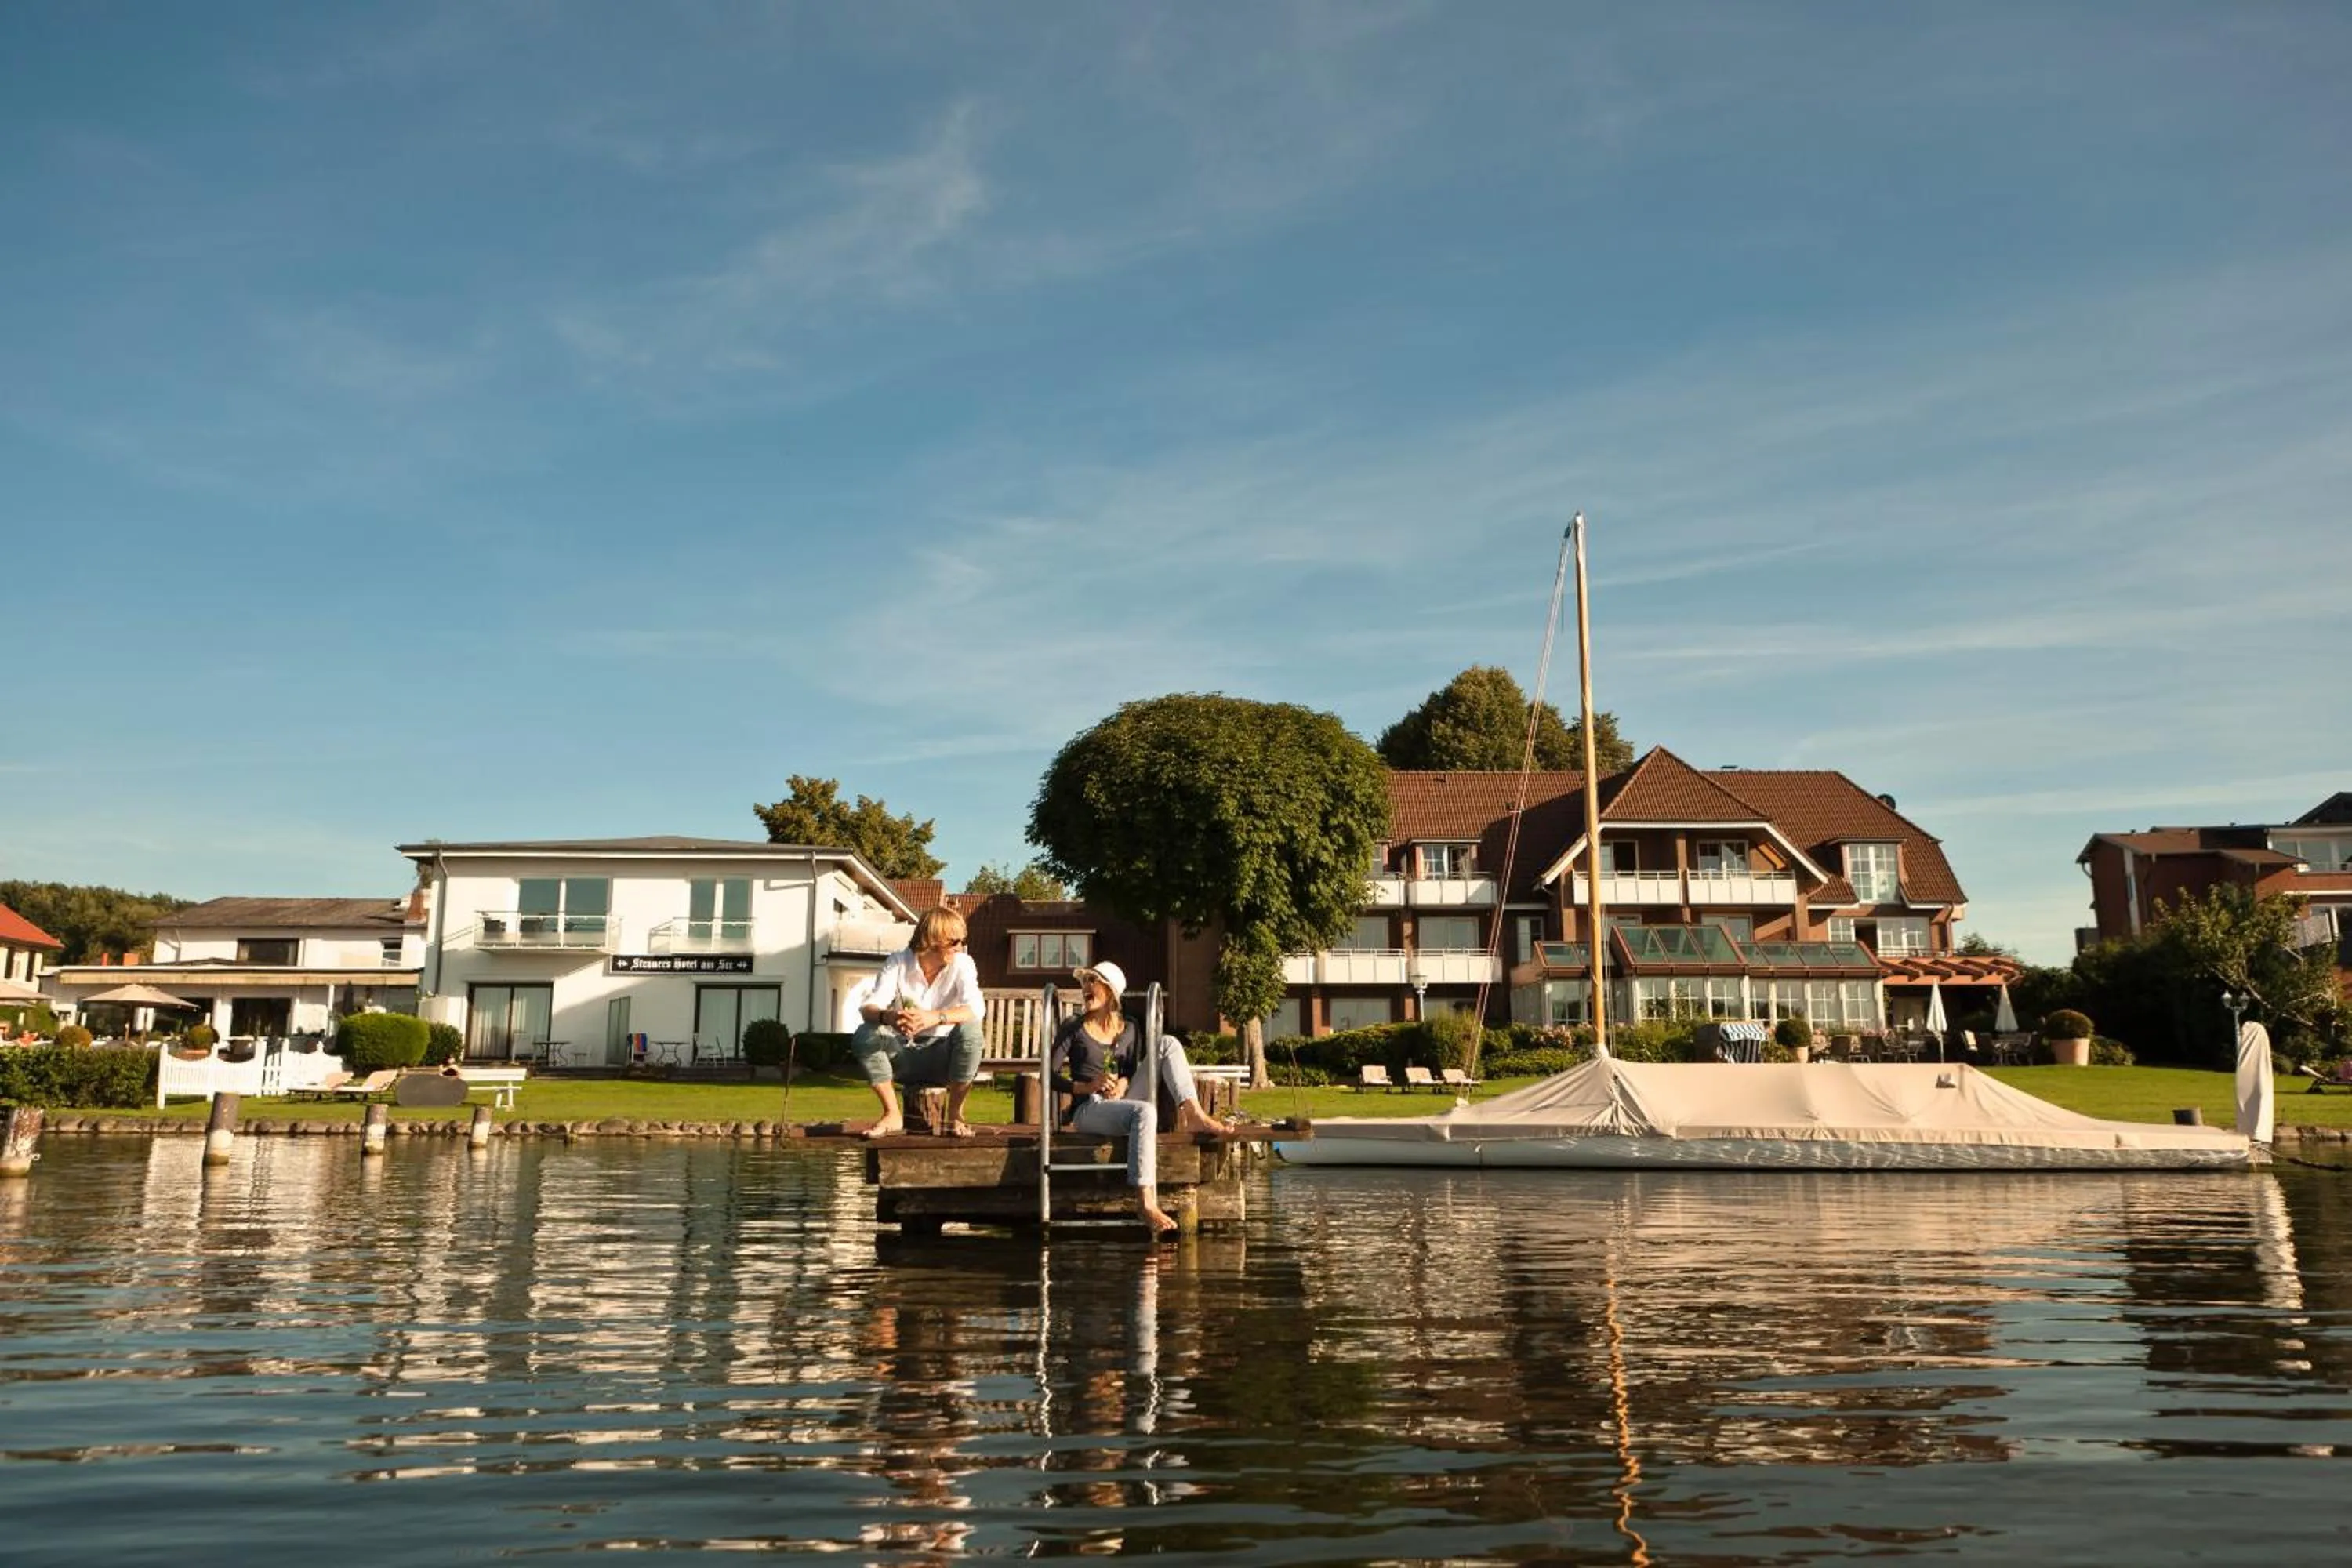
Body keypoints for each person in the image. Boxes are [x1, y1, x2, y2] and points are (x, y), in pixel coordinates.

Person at [1048, 960, 1221, 1237]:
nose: (1085, 987)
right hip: (1089, 1108)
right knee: (1145, 1112)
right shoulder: (1073, 1027)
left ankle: (1194, 1115)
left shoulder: (1130, 1028)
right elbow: (1048, 1074)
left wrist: (1123, 1083)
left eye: (1092, 981)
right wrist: (1086, 1087)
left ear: (1110, 992)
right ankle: (1145, 1201)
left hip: (1122, 1099)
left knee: (1168, 1043)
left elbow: (1129, 1070)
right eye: (1084, 982)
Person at [852, 907, 987, 1138]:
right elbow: (869, 1007)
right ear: (932, 939)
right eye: (954, 941)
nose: (960, 947)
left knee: (971, 1032)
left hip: (945, 1056)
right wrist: (890, 1017)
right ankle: (892, 1114)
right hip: (903, 1054)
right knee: (866, 1034)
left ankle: (955, 1115)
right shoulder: (898, 961)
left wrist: (935, 1017)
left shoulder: (963, 963)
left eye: (962, 941)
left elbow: (975, 1008)